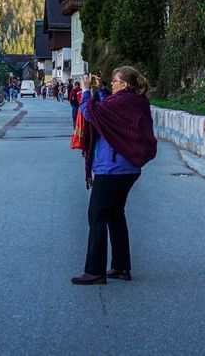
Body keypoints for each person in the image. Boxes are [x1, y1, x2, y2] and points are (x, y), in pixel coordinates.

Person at [71, 66, 158, 286]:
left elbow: (91, 113)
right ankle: (120, 267)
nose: (112, 84)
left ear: (125, 85)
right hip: (127, 168)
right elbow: (105, 108)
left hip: (112, 168)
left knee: (97, 214)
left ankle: (94, 271)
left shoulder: (121, 102)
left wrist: (86, 90)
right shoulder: (135, 101)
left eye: (115, 81)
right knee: (115, 214)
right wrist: (99, 90)